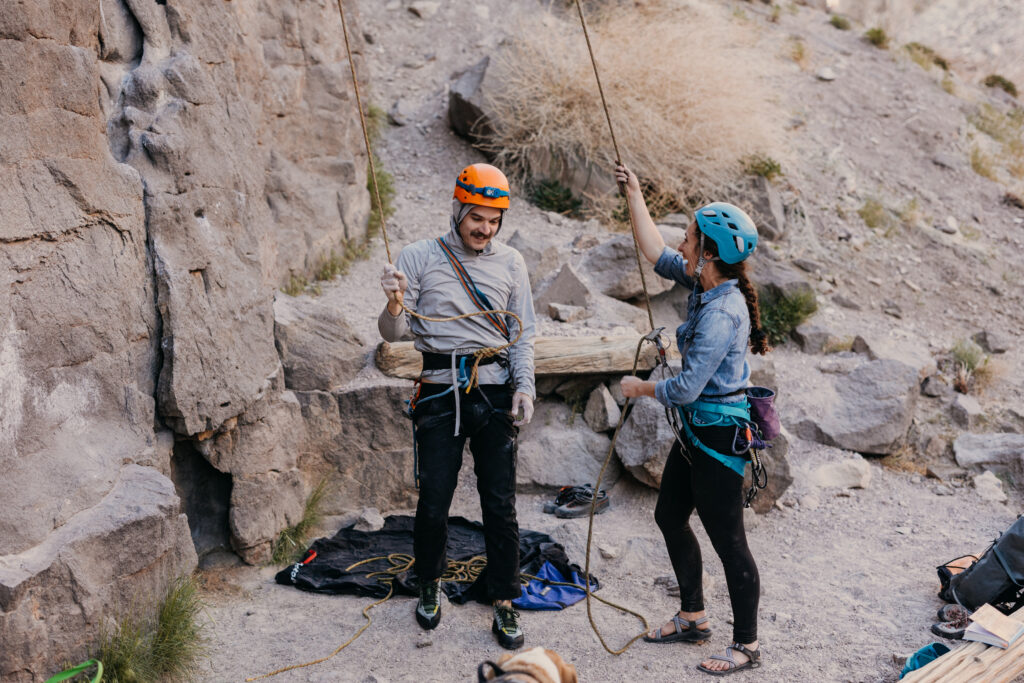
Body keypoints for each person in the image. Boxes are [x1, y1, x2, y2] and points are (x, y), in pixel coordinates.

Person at [614, 163, 770, 675]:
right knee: (669, 515)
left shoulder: (723, 312)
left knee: (730, 542)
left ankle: (746, 645)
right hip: (697, 433)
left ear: (709, 253)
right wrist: (635, 193)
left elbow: (684, 389)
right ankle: (693, 617)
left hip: (718, 437)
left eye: (690, 238)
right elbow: (655, 252)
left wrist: (640, 387)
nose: (682, 243)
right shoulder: (705, 281)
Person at [378, 163, 536, 650]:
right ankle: (429, 581)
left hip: (494, 389)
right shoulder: (418, 257)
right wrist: (394, 302)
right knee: (433, 499)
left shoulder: (512, 263)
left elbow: (523, 333)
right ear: (457, 209)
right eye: (476, 218)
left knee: (500, 503)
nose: (484, 229)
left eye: (493, 221)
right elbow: (393, 334)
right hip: (439, 389)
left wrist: (524, 387)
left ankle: (504, 598)